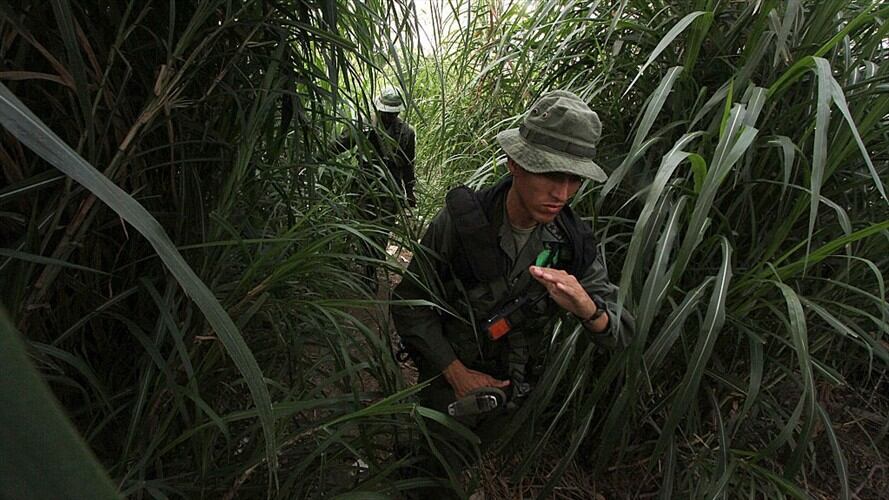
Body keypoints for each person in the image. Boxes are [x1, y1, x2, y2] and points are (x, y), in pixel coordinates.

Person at [392, 90, 634, 428]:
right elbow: (408, 303)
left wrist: (587, 308)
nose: (561, 195)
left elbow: (621, 332)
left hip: (516, 394)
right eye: (551, 174)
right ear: (515, 164)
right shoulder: (463, 222)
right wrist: (456, 373)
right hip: (449, 387)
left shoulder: (573, 243)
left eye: (574, 179)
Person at [333, 87, 417, 288]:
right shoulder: (363, 126)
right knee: (363, 229)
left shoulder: (406, 133)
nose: (389, 116)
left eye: (393, 113)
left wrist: (410, 192)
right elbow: (340, 145)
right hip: (365, 186)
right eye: (386, 113)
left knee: (381, 233)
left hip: (390, 191)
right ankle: (361, 264)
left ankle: (370, 273)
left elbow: (408, 165)